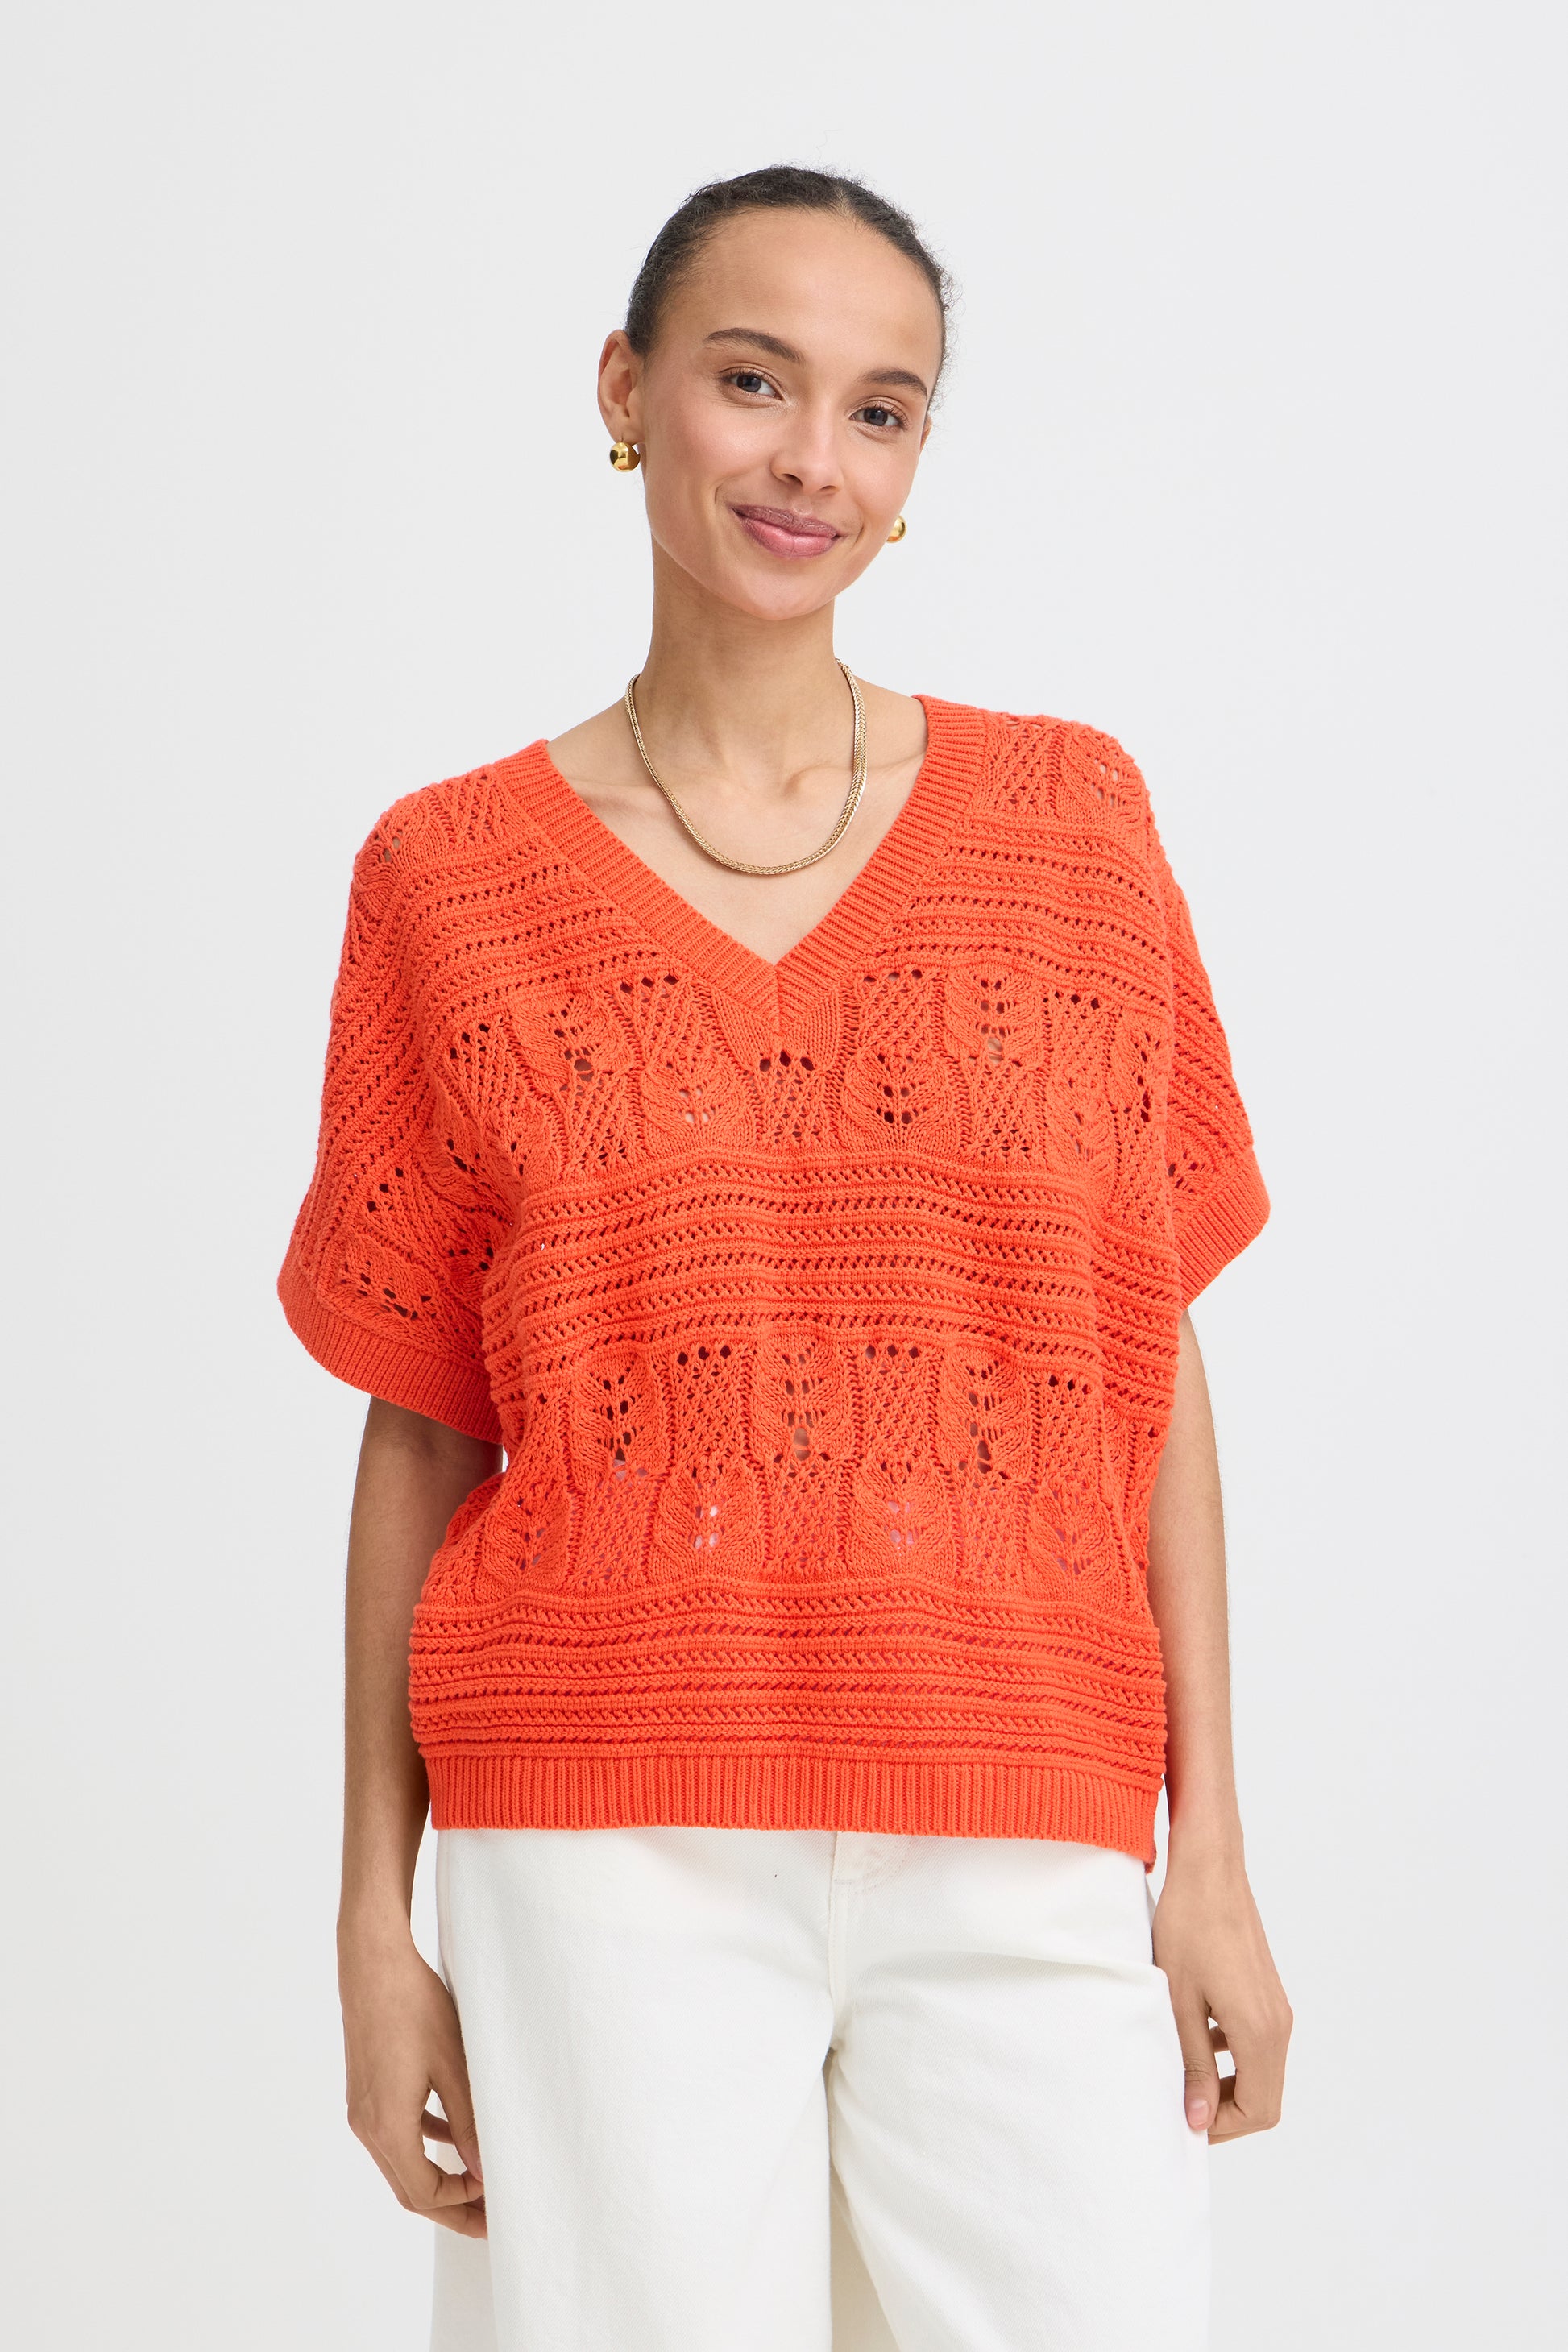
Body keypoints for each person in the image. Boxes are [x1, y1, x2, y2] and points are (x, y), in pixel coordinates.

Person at [279, 164, 1292, 2352]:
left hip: (1024, 1794)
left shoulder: (1069, 825)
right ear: (625, 391)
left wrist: (1205, 1846)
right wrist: (374, 1920)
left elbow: (1147, 1352)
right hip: (595, 1830)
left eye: (879, 408)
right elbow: (421, 1425)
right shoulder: (446, 876)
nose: (811, 459)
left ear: (917, 461)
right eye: (753, 381)